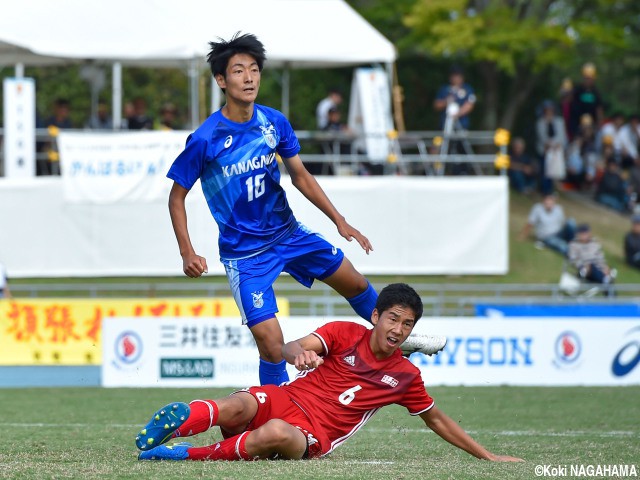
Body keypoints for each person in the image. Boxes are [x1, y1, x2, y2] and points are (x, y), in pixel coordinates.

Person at [166, 33, 445, 387]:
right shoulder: (206, 138)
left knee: (356, 283)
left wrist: (340, 221)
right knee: (271, 347)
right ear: (221, 80)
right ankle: (274, 419)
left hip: (289, 235)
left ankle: (401, 341)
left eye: (254, 69)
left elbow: (300, 175)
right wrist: (187, 251)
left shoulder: (273, 122)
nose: (249, 77)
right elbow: (177, 197)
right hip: (246, 255)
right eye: (238, 71)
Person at [135, 283, 523, 463]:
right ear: (375, 316)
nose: (398, 330)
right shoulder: (343, 332)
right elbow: (286, 347)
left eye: (407, 325)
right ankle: (183, 421)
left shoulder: (405, 376)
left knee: (274, 433)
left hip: (312, 434)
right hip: (288, 397)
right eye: (392, 319)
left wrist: (487, 456)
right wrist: (299, 355)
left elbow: (437, 420)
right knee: (240, 403)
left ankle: (184, 455)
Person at [536, 100, 568, 194]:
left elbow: (562, 135)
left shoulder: (559, 121)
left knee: (554, 172)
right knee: (544, 171)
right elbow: (542, 136)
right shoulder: (540, 122)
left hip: (556, 151)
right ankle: (544, 190)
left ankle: (551, 190)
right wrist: (549, 145)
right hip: (545, 150)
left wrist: (557, 145)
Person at [433, 65, 476, 131]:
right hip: (444, 125)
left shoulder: (467, 89)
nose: (456, 78)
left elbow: (470, 104)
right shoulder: (444, 89)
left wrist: (457, 114)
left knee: (462, 140)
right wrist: (446, 102)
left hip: (462, 125)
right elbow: (436, 105)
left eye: (458, 76)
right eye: (454, 76)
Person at [569, 63, 604, 138]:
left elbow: (599, 109)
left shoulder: (596, 92)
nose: (588, 80)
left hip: (592, 126)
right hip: (577, 124)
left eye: (590, 78)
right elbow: (570, 104)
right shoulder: (577, 90)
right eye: (586, 78)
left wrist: (599, 124)